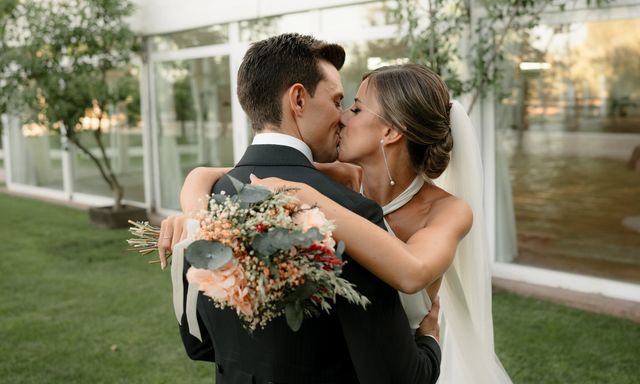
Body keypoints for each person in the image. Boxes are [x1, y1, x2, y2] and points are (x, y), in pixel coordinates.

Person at [162, 61, 513, 383]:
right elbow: (212, 174)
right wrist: (197, 219)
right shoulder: (344, 180)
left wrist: (300, 193)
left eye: (356, 108)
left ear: (390, 132)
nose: (342, 117)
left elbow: (412, 271)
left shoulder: (447, 210)